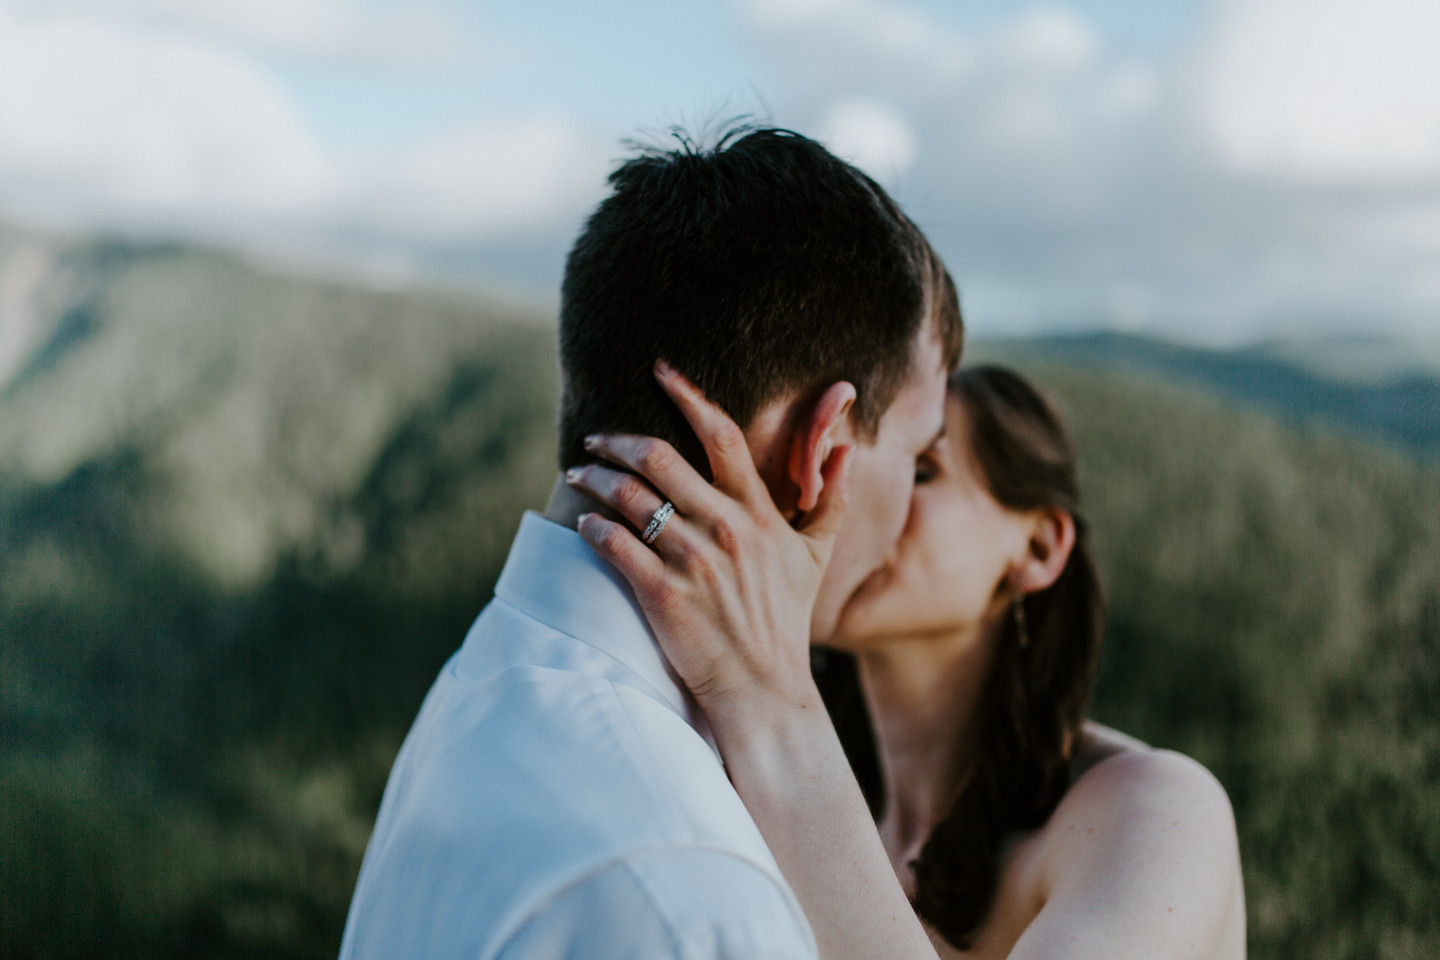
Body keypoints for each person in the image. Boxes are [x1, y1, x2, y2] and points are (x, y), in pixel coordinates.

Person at [338, 125, 964, 960]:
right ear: (822, 458)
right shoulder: (697, 896)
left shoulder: (493, 673)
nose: (910, 519)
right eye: (918, 461)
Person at [571, 364, 1246, 959]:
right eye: (842, 463)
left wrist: (767, 695)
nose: (852, 501)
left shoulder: (1153, 813)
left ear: (1038, 546)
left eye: (921, 470)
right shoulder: (796, 810)